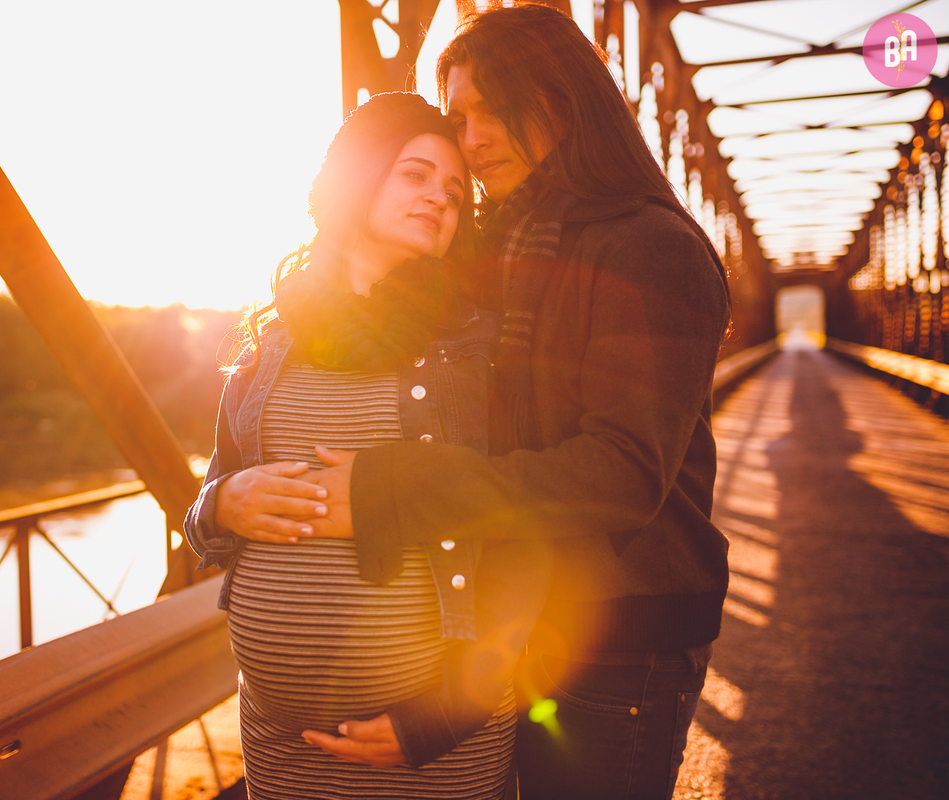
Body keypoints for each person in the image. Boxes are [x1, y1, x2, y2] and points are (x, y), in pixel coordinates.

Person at [287, 5, 733, 798]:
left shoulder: (652, 249)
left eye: (490, 109)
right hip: (520, 621)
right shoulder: (509, 249)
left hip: (618, 645)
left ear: (561, 102)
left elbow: (621, 477)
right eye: (457, 116)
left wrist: (393, 489)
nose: (471, 137)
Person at [184, 92, 550, 799]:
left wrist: (446, 715)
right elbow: (206, 505)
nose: (439, 199)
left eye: (453, 189)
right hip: (282, 743)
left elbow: (529, 538)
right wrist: (224, 501)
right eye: (414, 174)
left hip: (434, 745)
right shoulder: (270, 347)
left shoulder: (483, 355)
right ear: (356, 180)